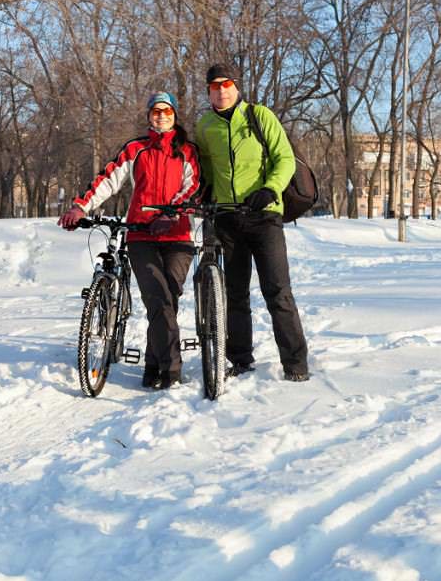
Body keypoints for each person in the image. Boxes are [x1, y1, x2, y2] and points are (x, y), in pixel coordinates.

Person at [59, 92, 200, 389]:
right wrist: (80, 207)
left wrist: (172, 215)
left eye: (167, 111)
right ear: (149, 116)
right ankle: (171, 370)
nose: (161, 116)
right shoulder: (136, 149)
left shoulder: (187, 151)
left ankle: (153, 364)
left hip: (177, 236)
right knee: (156, 298)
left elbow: (193, 187)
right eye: (155, 111)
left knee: (167, 299)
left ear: (175, 115)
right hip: (141, 234)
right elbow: (108, 180)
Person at [194, 63, 310, 382]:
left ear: (236, 86)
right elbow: (203, 169)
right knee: (234, 294)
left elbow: (284, 158)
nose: (221, 90)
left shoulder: (260, 116)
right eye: (214, 86)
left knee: (277, 291)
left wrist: (269, 188)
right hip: (227, 218)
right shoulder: (205, 126)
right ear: (208, 91)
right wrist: (202, 196)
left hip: (264, 216)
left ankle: (296, 363)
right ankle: (240, 359)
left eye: (226, 83)